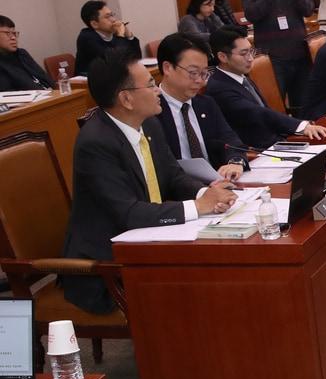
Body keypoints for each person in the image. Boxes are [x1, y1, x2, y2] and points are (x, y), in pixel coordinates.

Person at [62, 50, 237, 314]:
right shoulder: (95, 144)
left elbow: (172, 175)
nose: (158, 91)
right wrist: (198, 207)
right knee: (204, 283)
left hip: (149, 240)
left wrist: (208, 192)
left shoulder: (149, 124)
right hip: (108, 266)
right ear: (126, 99)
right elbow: (128, 212)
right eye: (151, 84)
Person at [205, 27, 326, 149]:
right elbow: (257, 112)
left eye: (251, 51)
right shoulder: (219, 87)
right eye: (244, 54)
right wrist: (300, 126)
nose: (250, 58)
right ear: (223, 57)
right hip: (258, 151)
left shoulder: (241, 76)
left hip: (278, 140)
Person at [153, 33, 246, 181]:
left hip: (217, 184)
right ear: (168, 68)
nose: (200, 81)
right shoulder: (151, 112)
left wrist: (235, 162)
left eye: (204, 74)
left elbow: (231, 141)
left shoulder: (206, 104)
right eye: (193, 73)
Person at [75, 0, 141, 75]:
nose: (114, 20)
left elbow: (136, 57)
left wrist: (128, 35)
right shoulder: (86, 38)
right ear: (94, 24)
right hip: (89, 83)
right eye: (108, 17)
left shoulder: (114, 34)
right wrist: (120, 35)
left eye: (112, 15)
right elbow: (114, 61)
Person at [0, 15, 52, 91]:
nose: (13, 37)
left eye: (14, 33)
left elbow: (46, 79)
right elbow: (7, 93)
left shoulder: (22, 53)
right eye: (8, 33)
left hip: (50, 95)